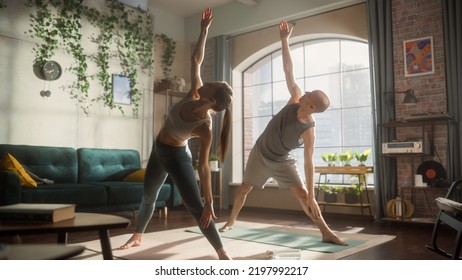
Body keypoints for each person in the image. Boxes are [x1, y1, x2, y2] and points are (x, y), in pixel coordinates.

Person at [219, 20, 347, 246]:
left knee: (302, 194)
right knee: (244, 188)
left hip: (281, 160)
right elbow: (289, 69)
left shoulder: (309, 130)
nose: (305, 91)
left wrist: (312, 196)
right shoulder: (295, 98)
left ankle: (326, 231)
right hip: (260, 152)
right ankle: (230, 221)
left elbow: (309, 164)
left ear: (312, 107)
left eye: (310, 93)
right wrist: (284, 40)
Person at [120, 8, 233, 260]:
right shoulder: (194, 92)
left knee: (196, 207)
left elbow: (203, 167)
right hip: (158, 150)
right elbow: (196, 61)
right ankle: (137, 236)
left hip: (177, 156)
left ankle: (222, 252)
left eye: (212, 85)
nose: (207, 82)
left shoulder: (205, 126)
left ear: (212, 99)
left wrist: (209, 200)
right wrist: (203, 30)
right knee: (148, 196)